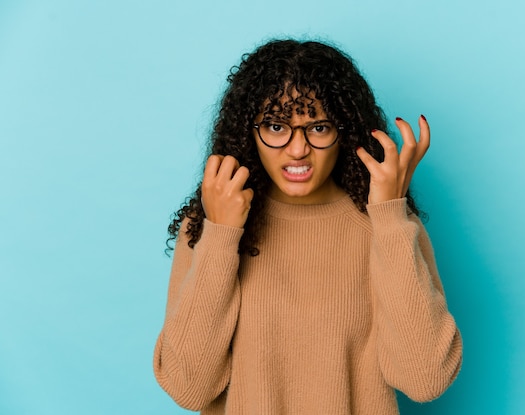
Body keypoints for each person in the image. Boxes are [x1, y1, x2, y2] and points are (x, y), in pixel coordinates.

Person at [153, 38, 462, 415]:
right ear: (248, 131)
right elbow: (189, 388)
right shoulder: (213, 223)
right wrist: (220, 236)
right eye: (275, 125)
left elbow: (425, 379)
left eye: (317, 127)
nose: (297, 148)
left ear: (344, 132)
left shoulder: (387, 226)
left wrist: (390, 218)